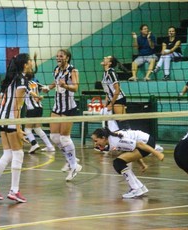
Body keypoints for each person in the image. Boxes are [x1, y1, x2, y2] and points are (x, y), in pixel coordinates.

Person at [0, 53, 32, 203]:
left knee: (8, 154)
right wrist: (18, 128)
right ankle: (14, 191)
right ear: (25, 64)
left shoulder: (11, 80)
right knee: (18, 155)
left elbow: (0, 101)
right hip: (11, 120)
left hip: (3, 119)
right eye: (30, 61)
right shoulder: (22, 81)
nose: (31, 63)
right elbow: (17, 106)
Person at [42, 49, 82, 181]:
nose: (58, 58)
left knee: (65, 138)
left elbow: (75, 88)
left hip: (69, 108)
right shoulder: (56, 69)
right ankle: (71, 159)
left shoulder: (73, 71)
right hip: (57, 106)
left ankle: (73, 165)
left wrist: (66, 86)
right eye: (57, 56)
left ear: (67, 58)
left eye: (61, 56)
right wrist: (49, 87)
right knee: (54, 137)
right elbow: (56, 82)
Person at [91, 127, 164, 199]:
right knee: (119, 162)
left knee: (118, 163)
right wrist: (141, 163)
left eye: (96, 141)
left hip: (147, 143)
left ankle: (135, 189)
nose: (95, 144)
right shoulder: (112, 140)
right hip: (147, 141)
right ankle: (140, 187)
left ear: (103, 138)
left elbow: (140, 144)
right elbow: (130, 150)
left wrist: (157, 154)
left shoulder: (115, 141)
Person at [24, 53, 55, 154]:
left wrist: (37, 96)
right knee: (37, 128)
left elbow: (31, 92)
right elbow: (45, 88)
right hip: (39, 108)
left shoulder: (24, 83)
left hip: (31, 109)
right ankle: (50, 146)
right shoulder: (36, 82)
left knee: (27, 130)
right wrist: (54, 85)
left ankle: (34, 144)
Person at [101, 56, 130, 130]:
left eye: (107, 57)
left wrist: (111, 104)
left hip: (118, 98)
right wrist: (105, 103)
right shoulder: (105, 73)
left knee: (123, 122)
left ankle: (132, 139)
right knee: (111, 123)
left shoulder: (111, 73)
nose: (104, 57)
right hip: (112, 99)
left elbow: (117, 90)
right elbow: (107, 91)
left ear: (110, 63)